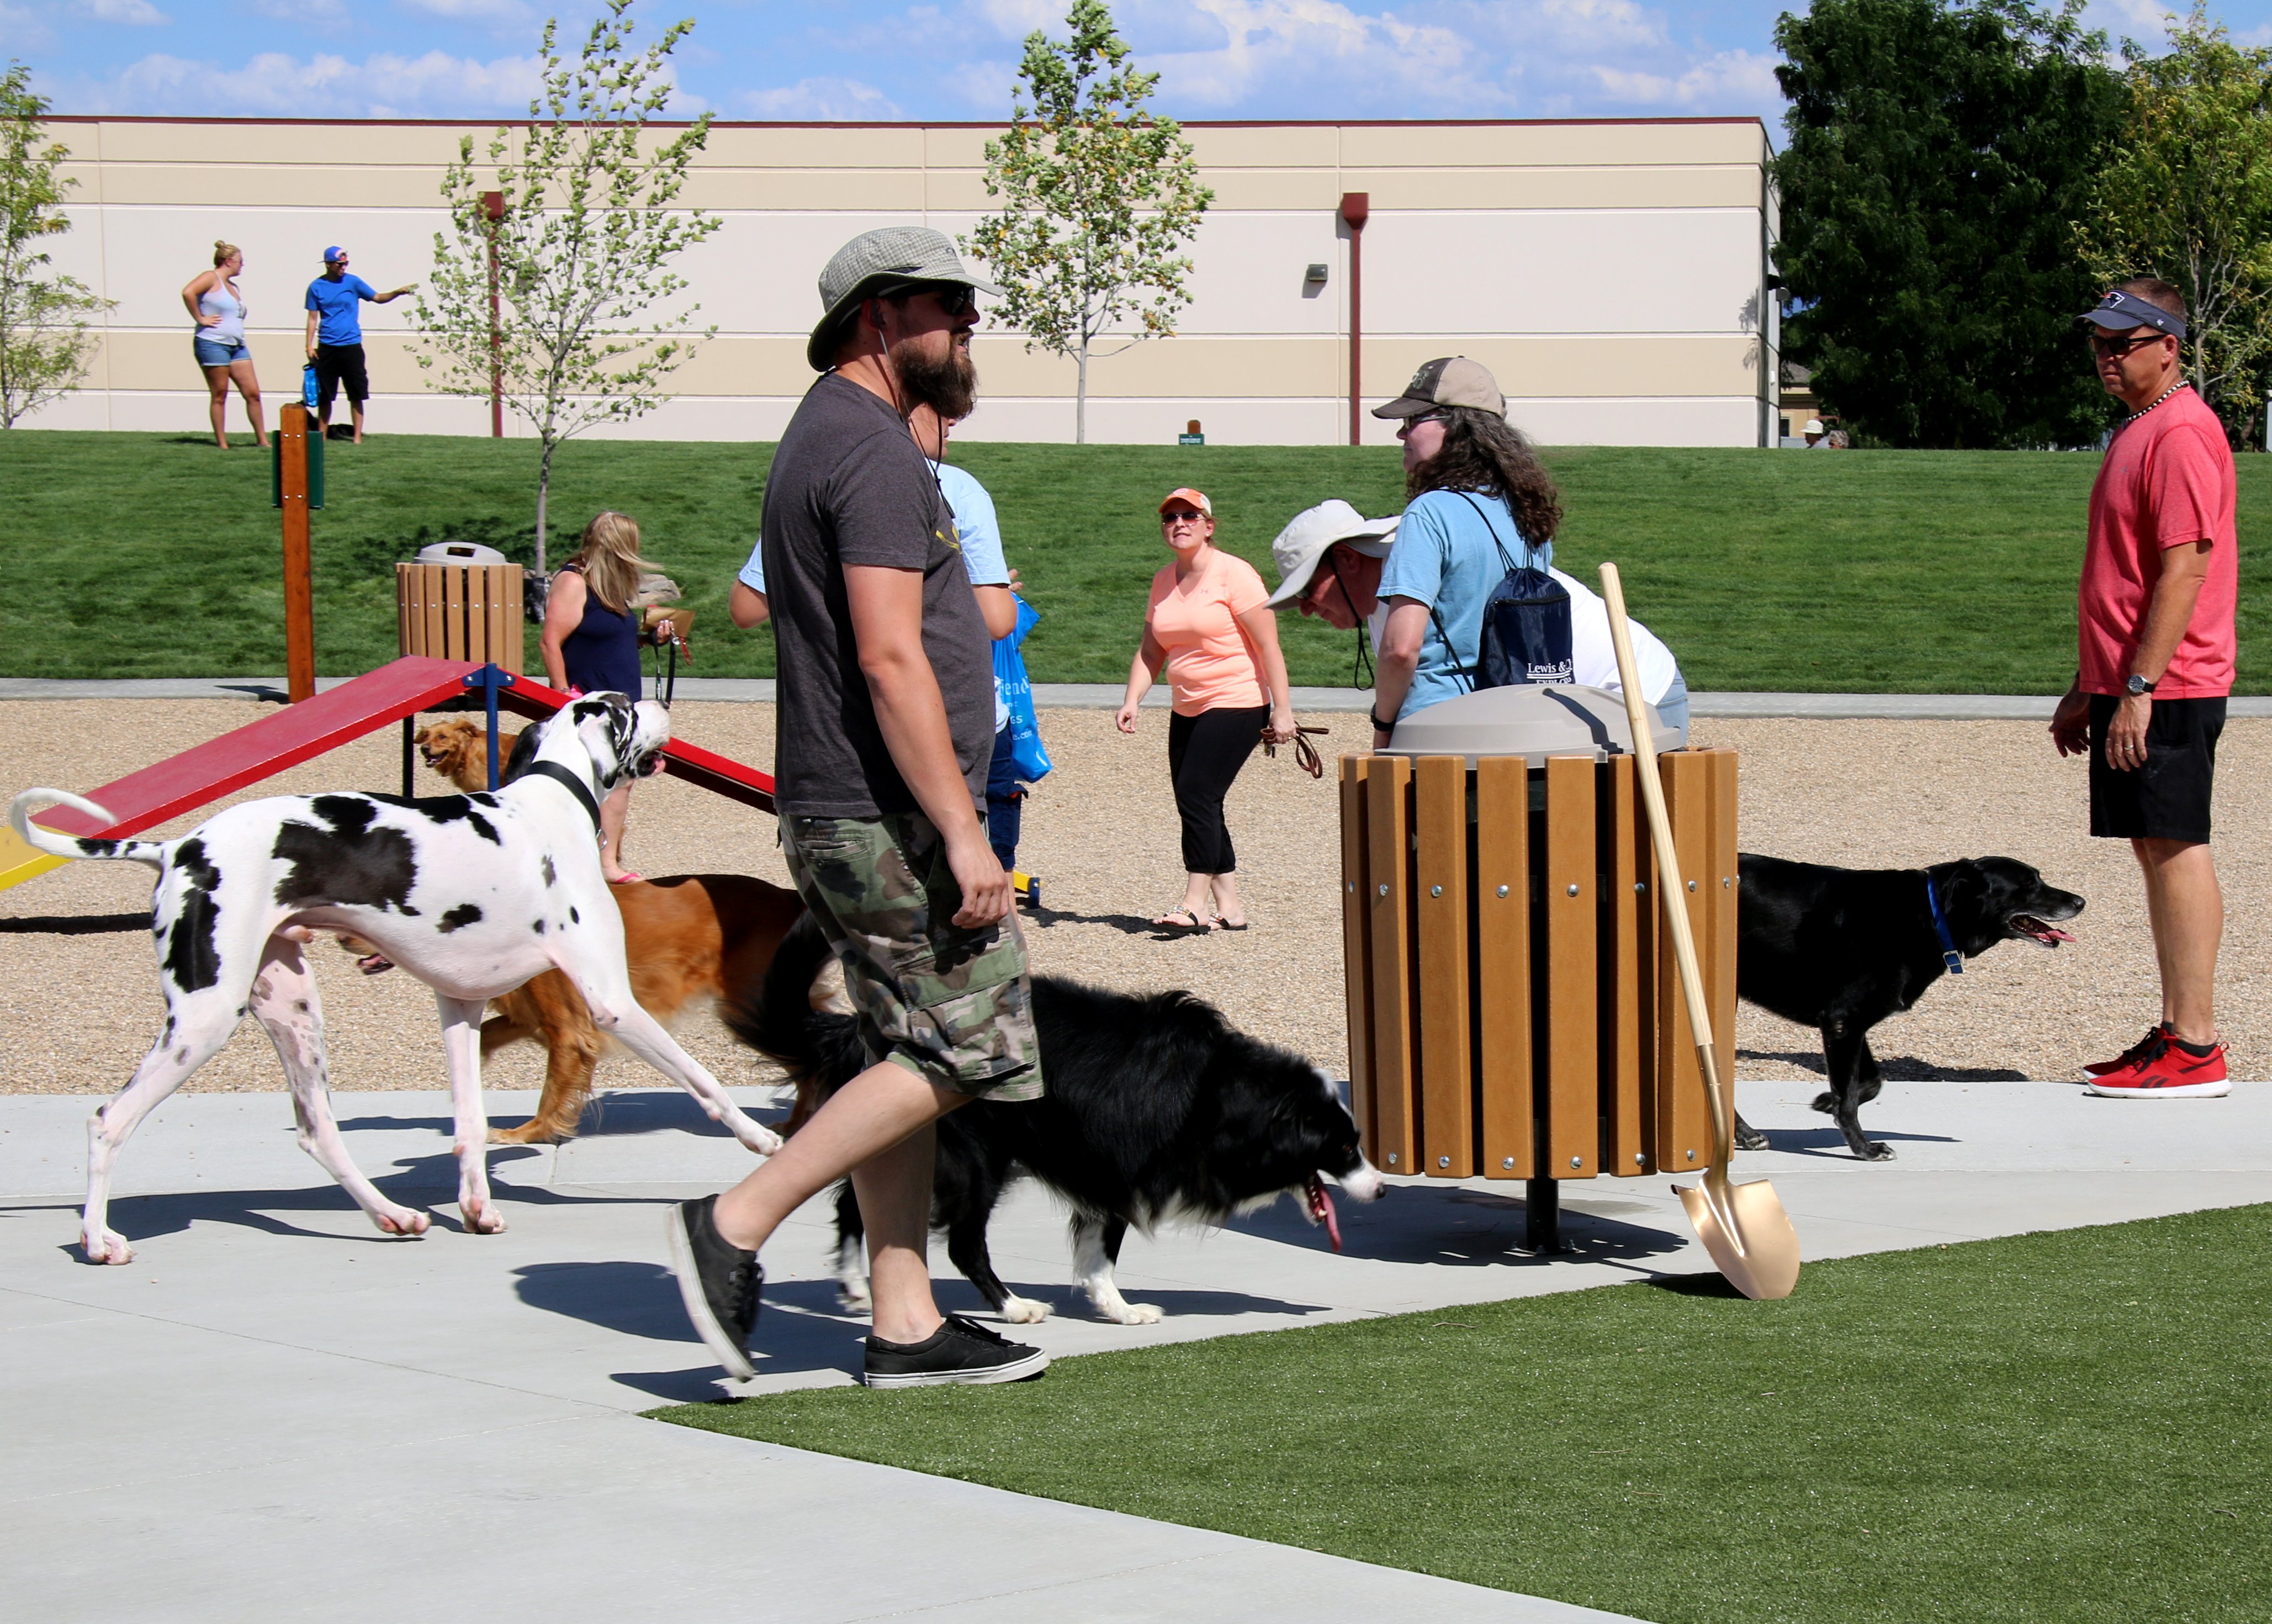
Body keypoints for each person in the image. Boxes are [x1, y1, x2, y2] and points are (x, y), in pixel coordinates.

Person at [667, 225, 1049, 1389]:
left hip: (845, 806)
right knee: (977, 1042)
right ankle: (735, 1219)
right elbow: (891, 661)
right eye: (949, 307)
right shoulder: (874, 454)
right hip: (885, 814)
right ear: (879, 318)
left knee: (901, 1041)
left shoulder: (827, 438)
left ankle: (903, 1319)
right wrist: (965, 829)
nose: (969, 326)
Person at [2051, 280, 2236, 1098]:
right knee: (2152, 847)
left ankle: (2193, 1046)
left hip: (2170, 683)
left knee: (2174, 845)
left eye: (2123, 342)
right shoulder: (2139, 429)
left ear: (2168, 345)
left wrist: (2136, 687)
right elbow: (2122, 578)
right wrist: (2086, 686)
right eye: (2098, 343)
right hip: (2134, 682)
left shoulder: (2182, 432)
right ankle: (2174, 1033)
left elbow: (2182, 568)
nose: (2106, 356)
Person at [732, 401, 1029, 867]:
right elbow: (997, 619)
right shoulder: (956, 489)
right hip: (933, 729)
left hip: (832, 745)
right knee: (967, 902)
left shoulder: (815, 480)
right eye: (943, 406)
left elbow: (745, 607)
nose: (956, 418)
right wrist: (965, 585)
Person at [1267, 497, 1691, 738]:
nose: (1304, 609)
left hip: (1631, 691)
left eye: (1307, 590)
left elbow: (1410, 662)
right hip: (1562, 710)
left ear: (1346, 559)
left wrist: (1383, 729)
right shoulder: (1383, 604)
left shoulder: (1419, 571)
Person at [1116, 488, 1297, 933]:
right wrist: (1132, 699)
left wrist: (1282, 710)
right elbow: (1150, 651)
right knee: (1197, 799)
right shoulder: (1163, 580)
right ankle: (1230, 906)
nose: (1179, 523)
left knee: (1197, 793)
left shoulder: (1234, 574)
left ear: (1208, 526)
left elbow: (1268, 645)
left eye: (1189, 516)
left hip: (1237, 700)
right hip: (1188, 705)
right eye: (1170, 517)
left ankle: (1193, 903)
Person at [1362, 356, 1566, 747]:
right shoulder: (1526, 510)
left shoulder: (1430, 511)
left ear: (1457, 427)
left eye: (1412, 422)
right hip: (1518, 719)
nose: (1400, 436)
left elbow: (1400, 647)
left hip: (1439, 724)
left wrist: (1383, 725)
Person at [541, 510, 677, 884]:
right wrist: (562, 693)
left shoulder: (605, 585)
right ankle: (597, 863)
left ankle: (605, 860)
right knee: (599, 780)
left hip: (621, 700)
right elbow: (551, 640)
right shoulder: (574, 582)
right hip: (590, 701)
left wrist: (651, 638)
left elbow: (606, 640)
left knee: (621, 781)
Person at [303, 246, 415, 443]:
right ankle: (321, 436)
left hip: (351, 346)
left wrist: (397, 292)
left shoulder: (353, 283)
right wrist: (309, 346)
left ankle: (357, 437)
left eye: (346, 263)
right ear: (329, 264)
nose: (343, 267)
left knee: (356, 392)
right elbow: (313, 318)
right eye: (340, 264)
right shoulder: (316, 287)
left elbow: (378, 298)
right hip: (327, 347)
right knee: (326, 395)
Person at [181, 240, 266, 451]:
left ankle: (262, 440)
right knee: (220, 394)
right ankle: (222, 443)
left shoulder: (234, 287)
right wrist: (201, 318)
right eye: (240, 261)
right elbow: (188, 292)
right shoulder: (211, 277)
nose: (242, 265)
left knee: (253, 393)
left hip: (237, 345)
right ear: (228, 261)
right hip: (213, 343)